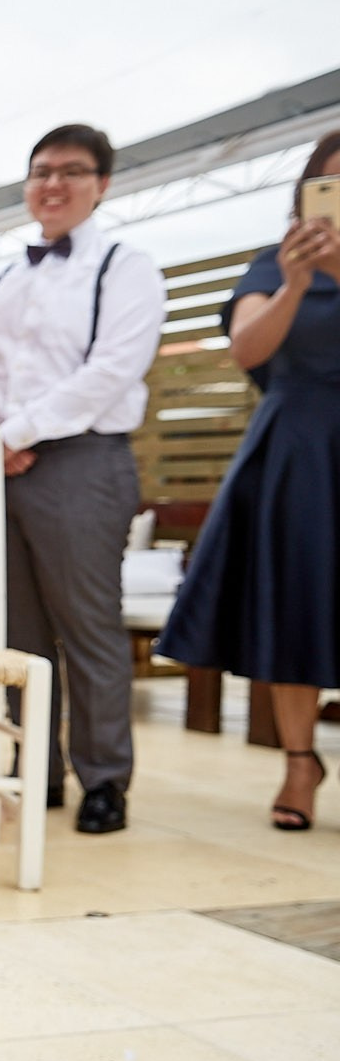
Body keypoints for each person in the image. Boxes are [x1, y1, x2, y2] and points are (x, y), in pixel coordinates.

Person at [0, 124, 166, 834]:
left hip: (83, 462)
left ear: (102, 183)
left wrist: (14, 433)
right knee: (17, 629)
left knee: (88, 625)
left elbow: (111, 370)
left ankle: (104, 778)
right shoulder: (3, 275)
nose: (53, 184)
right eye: (42, 171)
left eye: (72, 171)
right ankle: (31, 771)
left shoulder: (127, 266)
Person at [159, 131, 340, 831]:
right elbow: (246, 349)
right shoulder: (271, 265)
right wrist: (297, 282)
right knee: (295, 601)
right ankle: (300, 761)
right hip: (295, 447)